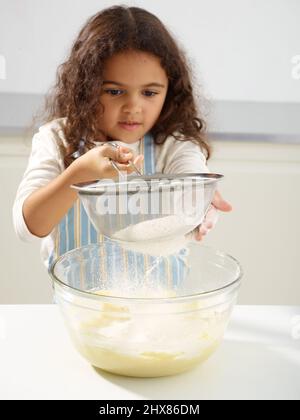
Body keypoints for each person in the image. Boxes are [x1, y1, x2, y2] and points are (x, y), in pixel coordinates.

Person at [13, 5, 232, 283]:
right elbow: (28, 226)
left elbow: (191, 181)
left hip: (160, 307)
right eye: (115, 91)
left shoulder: (175, 146)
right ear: (86, 86)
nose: (133, 106)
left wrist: (200, 200)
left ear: (170, 89)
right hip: (83, 310)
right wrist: (80, 173)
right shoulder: (57, 139)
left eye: (149, 92)